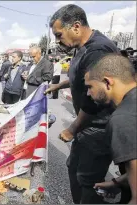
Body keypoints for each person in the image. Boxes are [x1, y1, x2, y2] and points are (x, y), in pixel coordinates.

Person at [44, 4, 120, 204]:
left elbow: (96, 99)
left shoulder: (98, 50)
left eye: (59, 35)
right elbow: (82, 77)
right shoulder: (81, 48)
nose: (58, 41)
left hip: (99, 128)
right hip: (87, 128)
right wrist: (59, 85)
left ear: (76, 27)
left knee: (88, 181)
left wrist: (72, 128)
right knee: (74, 168)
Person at [84, 54, 137, 204]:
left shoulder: (122, 118)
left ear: (107, 82)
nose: (88, 94)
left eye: (90, 87)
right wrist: (117, 182)